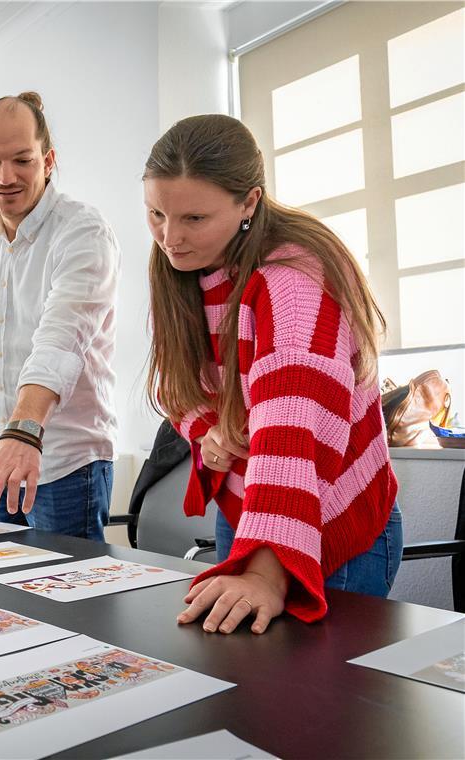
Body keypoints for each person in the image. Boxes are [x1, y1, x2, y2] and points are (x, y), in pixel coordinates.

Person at [142, 114, 402, 634]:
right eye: (156, 214)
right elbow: (179, 388)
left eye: (194, 218)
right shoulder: (184, 268)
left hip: (329, 515)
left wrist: (264, 573)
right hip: (250, 509)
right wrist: (208, 432)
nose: (170, 238)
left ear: (250, 203)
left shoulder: (295, 275)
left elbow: (293, 425)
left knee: (319, 704)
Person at [0, 91, 120, 539]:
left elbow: (59, 341)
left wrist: (25, 433)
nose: (5, 177)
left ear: (48, 160)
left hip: (67, 462)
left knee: (65, 601)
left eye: (22, 160)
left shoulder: (82, 231)